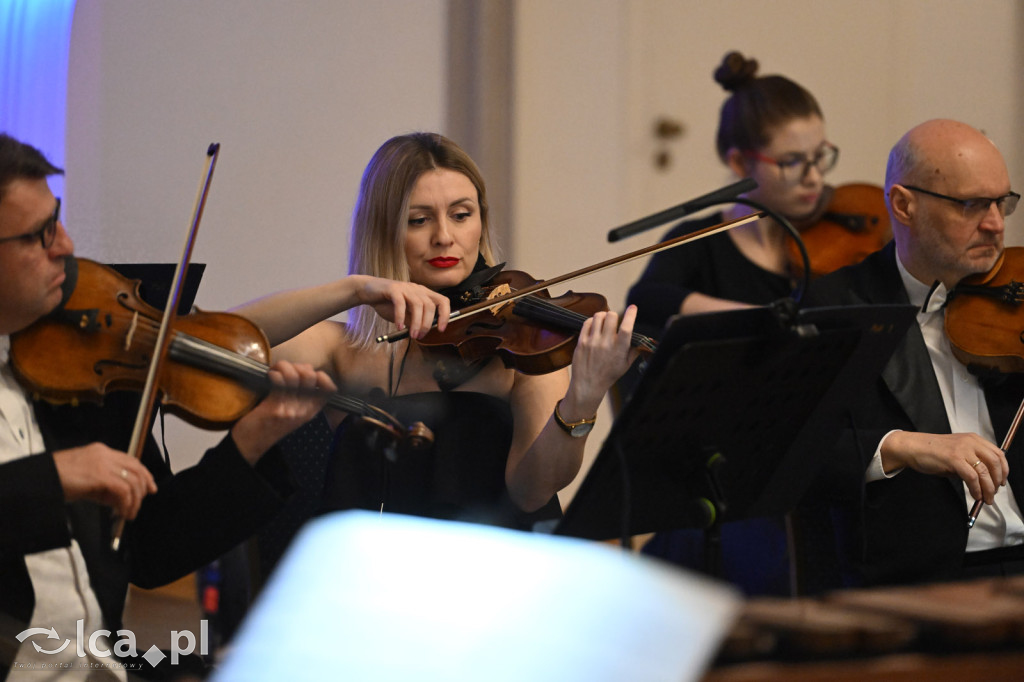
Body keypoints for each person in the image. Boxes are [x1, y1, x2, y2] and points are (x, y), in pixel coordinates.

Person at [0, 133, 337, 680]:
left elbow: (155, 547)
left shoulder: (75, 373)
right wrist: (54, 477)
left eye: (56, 219)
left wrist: (249, 443)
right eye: (38, 235)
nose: (66, 244)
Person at [234, 131, 639, 559]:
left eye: (461, 215)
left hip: (495, 571)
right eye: (419, 219)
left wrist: (584, 400)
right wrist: (353, 289)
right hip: (370, 574)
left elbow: (532, 492)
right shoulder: (346, 349)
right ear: (383, 230)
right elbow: (220, 338)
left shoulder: (523, 340)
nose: (445, 237)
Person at [625, 51, 838, 597]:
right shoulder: (702, 240)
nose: (815, 178)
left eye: (821, 157)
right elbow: (647, 298)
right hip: (730, 466)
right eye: (793, 162)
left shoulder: (838, 237)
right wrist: (766, 319)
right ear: (741, 162)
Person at [808, 118, 1024, 586]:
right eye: (971, 205)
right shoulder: (835, 308)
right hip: (923, 584)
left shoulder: (1016, 298)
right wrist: (902, 445)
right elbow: (795, 451)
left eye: (1001, 202)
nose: (994, 224)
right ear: (904, 206)